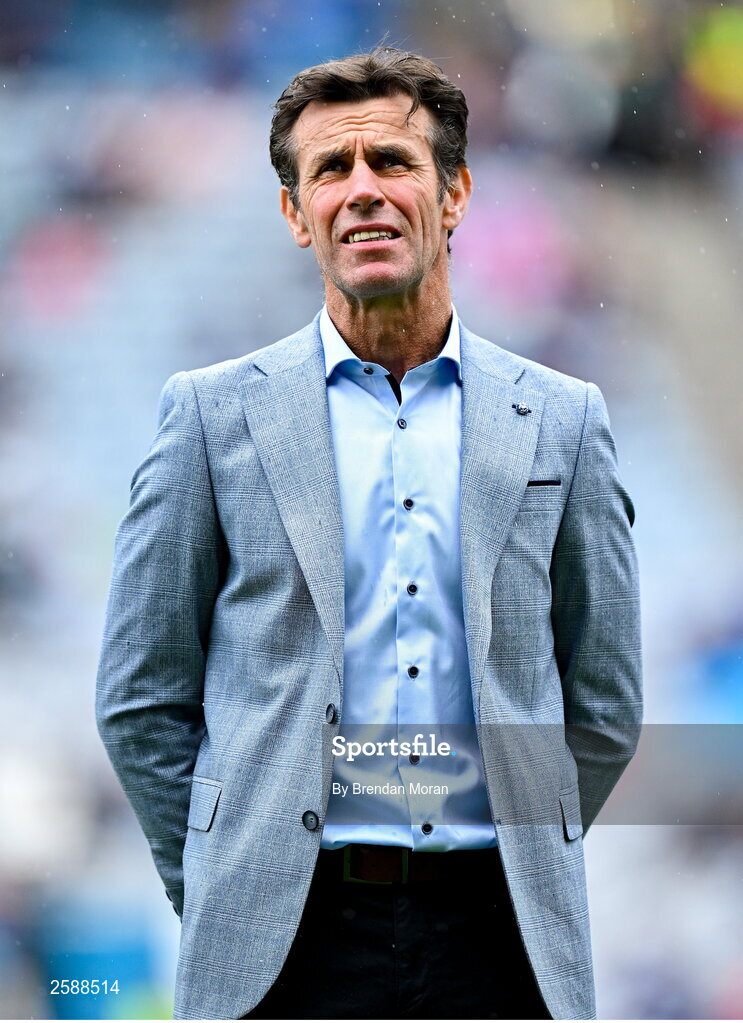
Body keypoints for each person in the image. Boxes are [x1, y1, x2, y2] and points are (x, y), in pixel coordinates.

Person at [96, 46, 642, 1021]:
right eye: (328, 171)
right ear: (292, 213)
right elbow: (141, 698)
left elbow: (600, 706)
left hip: (499, 943)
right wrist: (232, 879)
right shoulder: (211, 418)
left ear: (457, 192)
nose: (361, 191)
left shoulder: (563, 420)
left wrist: (518, 845)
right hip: (284, 944)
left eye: (391, 163)